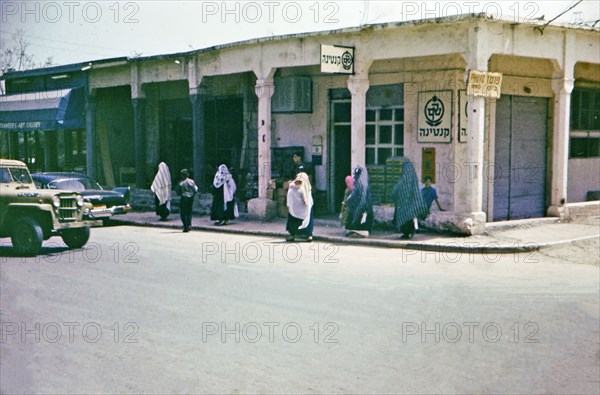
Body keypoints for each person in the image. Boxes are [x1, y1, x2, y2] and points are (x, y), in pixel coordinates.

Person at [390, 159, 429, 239]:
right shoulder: (414, 178)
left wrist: (392, 194)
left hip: (403, 204)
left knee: (403, 218)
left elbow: (397, 188)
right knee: (409, 217)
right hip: (411, 204)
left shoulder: (403, 178)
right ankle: (410, 231)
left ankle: (406, 233)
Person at [344, 166, 373, 238]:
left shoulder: (359, 184)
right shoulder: (366, 183)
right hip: (367, 210)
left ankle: (356, 231)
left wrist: (348, 201)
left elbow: (354, 197)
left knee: (353, 222)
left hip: (360, 211)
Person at [286, 172, 314, 242]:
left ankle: (293, 235)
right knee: (307, 219)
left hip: (296, 209)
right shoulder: (305, 187)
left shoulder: (296, 187)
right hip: (304, 208)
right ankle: (308, 235)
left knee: (294, 221)